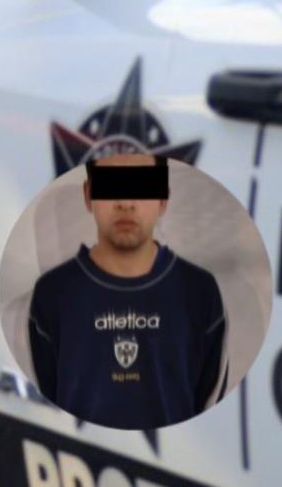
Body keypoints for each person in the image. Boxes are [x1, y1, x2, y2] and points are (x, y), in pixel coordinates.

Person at [27, 152, 229, 429]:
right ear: (88, 195)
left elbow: (210, 405)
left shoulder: (200, 292)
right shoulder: (52, 294)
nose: (126, 203)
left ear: (163, 199)